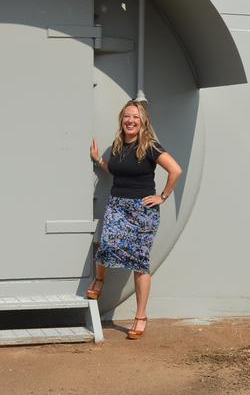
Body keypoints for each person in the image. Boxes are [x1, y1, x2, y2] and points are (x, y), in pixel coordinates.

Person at [87, 100, 183, 339]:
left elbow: (176, 170)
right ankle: (99, 282)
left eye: (135, 117)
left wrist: (162, 196)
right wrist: (99, 160)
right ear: (122, 119)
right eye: (127, 116)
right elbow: (117, 171)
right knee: (106, 246)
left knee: (140, 263)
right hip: (117, 205)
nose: (130, 121)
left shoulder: (150, 146)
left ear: (143, 122)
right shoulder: (118, 145)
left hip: (142, 211)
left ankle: (140, 317)